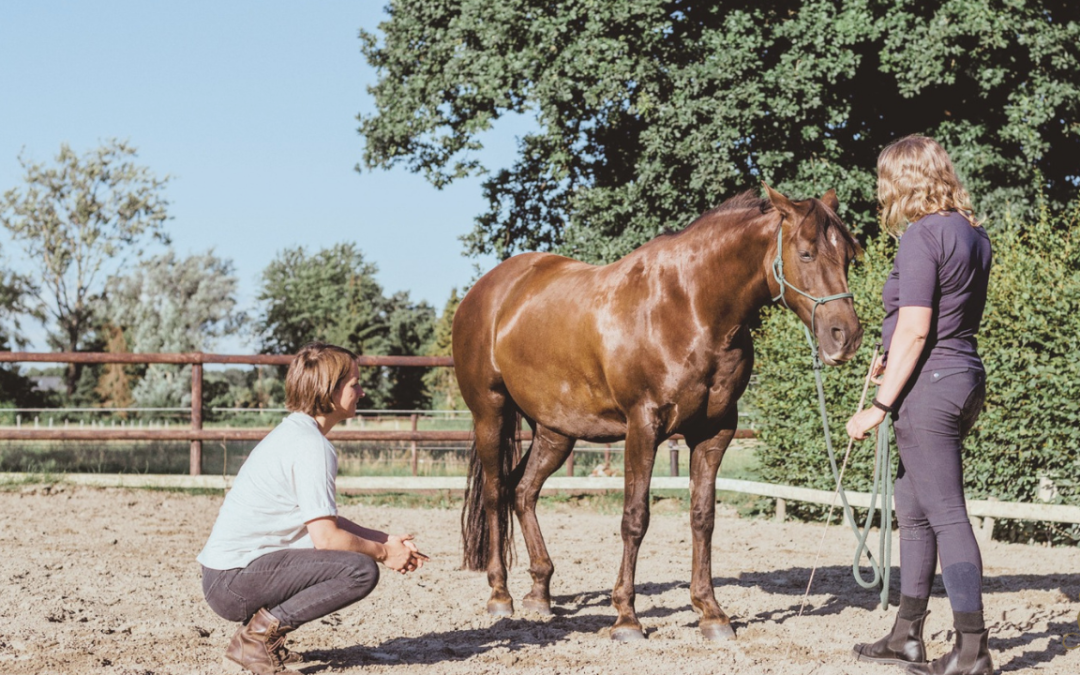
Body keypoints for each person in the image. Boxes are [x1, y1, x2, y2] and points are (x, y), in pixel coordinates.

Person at [846, 135, 993, 675]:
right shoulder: (973, 235)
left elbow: (916, 328)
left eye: (885, 180)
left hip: (930, 387)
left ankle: (973, 649)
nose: (882, 191)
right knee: (914, 508)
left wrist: (879, 406)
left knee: (947, 512)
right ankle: (907, 635)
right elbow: (945, 319)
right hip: (960, 375)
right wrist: (892, 360)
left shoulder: (921, 235)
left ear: (902, 181)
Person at [198, 342, 428, 674]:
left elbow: (322, 520)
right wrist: (382, 552)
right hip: (233, 583)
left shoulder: (295, 433)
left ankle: (257, 639)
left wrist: (386, 537)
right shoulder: (311, 446)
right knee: (359, 571)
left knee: (350, 558)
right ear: (329, 391)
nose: (362, 392)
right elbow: (327, 538)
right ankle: (256, 639)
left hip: (225, 577)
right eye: (354, 384)